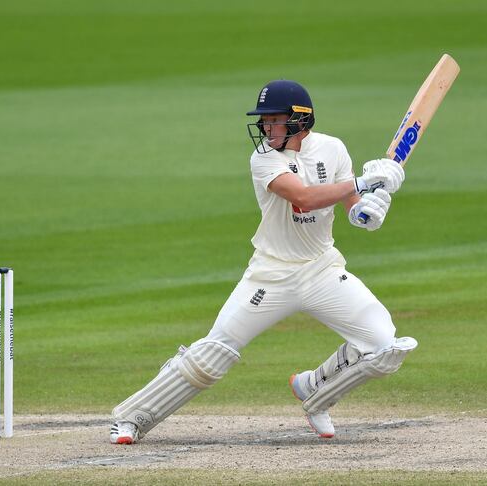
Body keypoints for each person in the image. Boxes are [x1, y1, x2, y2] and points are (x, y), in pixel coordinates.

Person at [110, 80, 417, 444]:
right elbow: (303, 197)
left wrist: (368, 211)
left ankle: (313, 390)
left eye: (274, 121)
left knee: (384, 347)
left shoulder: (333, 149)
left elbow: (351, 208)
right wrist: (363, 182)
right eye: (264, 121)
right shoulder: (263, 159)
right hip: (271, 275)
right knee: (213, 355)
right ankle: (131, 417)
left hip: (322, 269)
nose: (266, 129)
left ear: (300, 121)